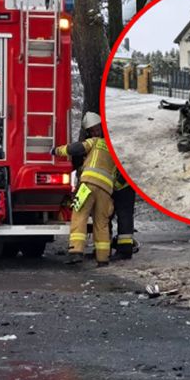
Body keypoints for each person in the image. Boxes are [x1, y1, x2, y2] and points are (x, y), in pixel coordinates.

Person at [53, 111, 115, 266]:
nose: (95, 132)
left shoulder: (93, 142)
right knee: (101, 223)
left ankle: (76, 252)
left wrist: (56, 151)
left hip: (87, 184)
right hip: (106, 190)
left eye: (96, 129)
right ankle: (102, 259)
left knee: (79, 214)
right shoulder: (115, 148)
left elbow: (75, 149)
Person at [112, 168, 136, 260]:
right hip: (115, 186)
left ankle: (124, 250)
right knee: (106, 216)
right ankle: (104, 250)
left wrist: (117, 184)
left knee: (124, 217)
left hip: (124, 187)